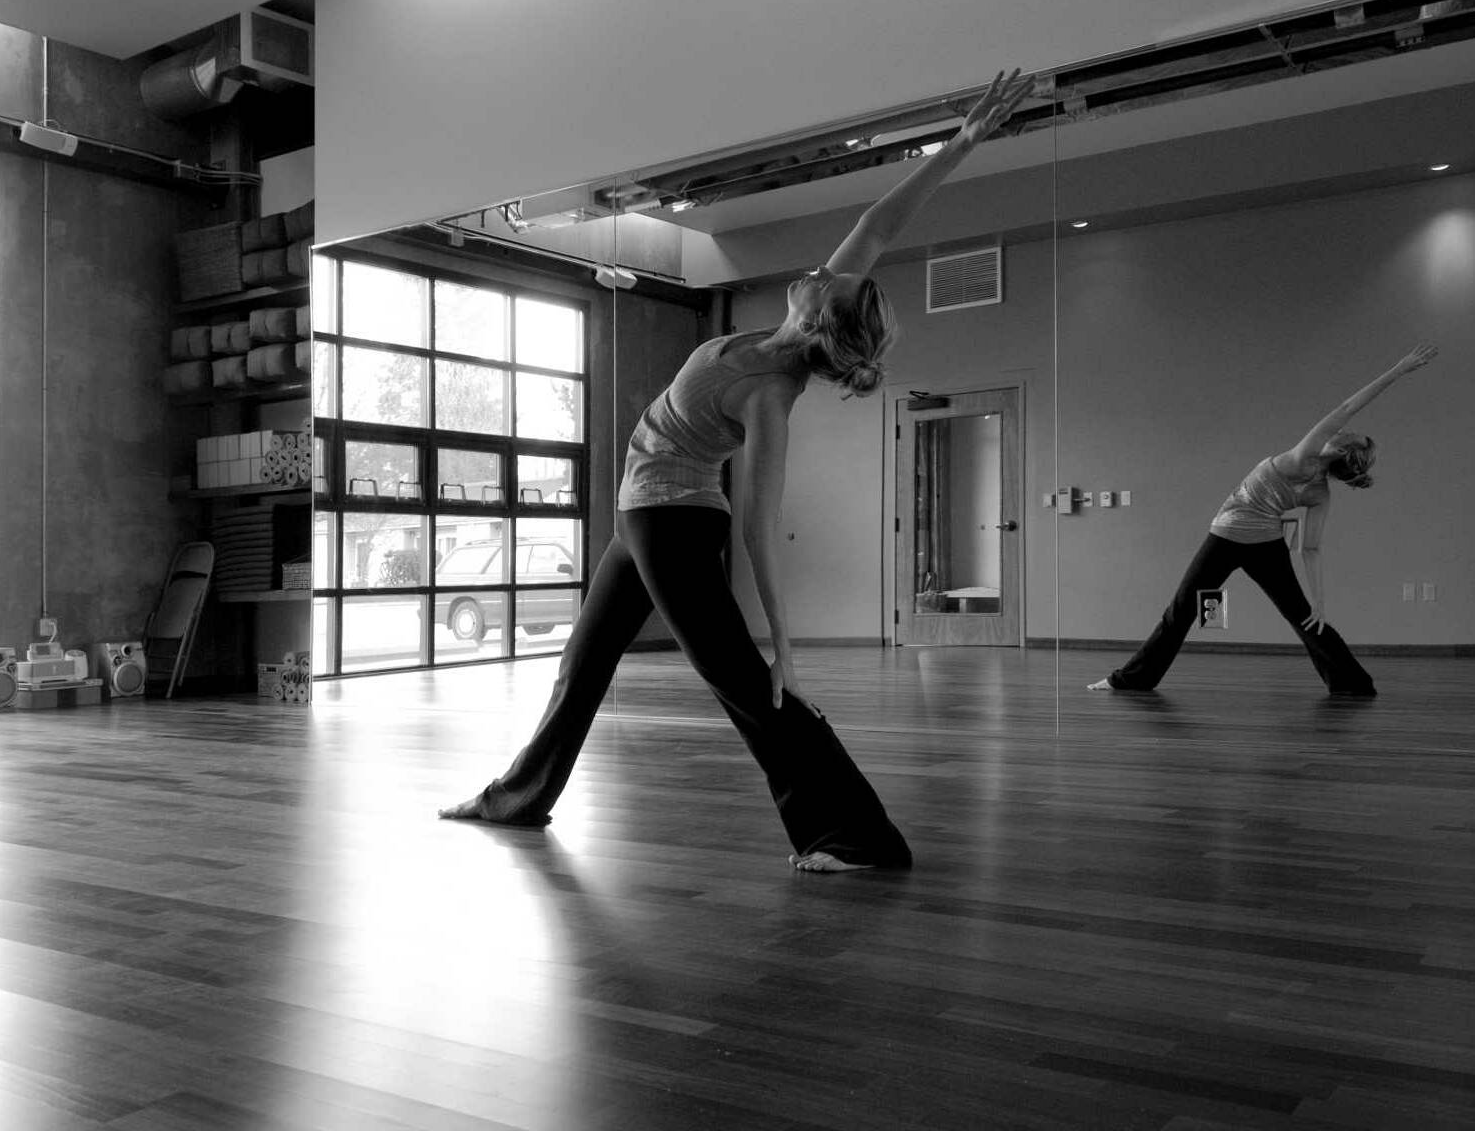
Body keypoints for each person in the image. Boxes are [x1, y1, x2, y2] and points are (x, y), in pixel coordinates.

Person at [440, 69, 1036, 871]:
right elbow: (880, 222)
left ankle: (853, 833)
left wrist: (785, 647)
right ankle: (518, 799)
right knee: (582, 664)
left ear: (823, 314)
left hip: (673, 522)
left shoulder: (771, 393)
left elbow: (758, 523)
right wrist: (959, 144)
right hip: (641, 517)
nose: (825, 268)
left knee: (746, 684)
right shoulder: (780, 335)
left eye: (831, 280)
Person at [1089, 342, 1438, 697]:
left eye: (1354, 435)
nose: (1349, 428)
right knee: (1303, 616)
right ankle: (1354, 684)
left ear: (1343, 447)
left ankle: (1129, 680)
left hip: (1225, 539)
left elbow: (1349, 405)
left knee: (1180, 611)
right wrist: (1318, 602)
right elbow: (1311, 549)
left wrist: (1398, 369)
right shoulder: (1321, 493)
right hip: (1266, 545)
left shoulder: (1305, 452)